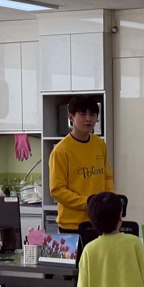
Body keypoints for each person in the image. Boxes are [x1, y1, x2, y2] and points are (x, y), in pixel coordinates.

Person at [49, 95, 114, 233]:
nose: (88, 119)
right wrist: (87, 203)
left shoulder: (100, 145)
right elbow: (57, 190)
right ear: (71, 117)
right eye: (83, 114)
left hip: (99, 221)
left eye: (92, 114)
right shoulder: (61, 151)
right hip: (72, 225)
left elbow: (107, 177)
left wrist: (108, 200)